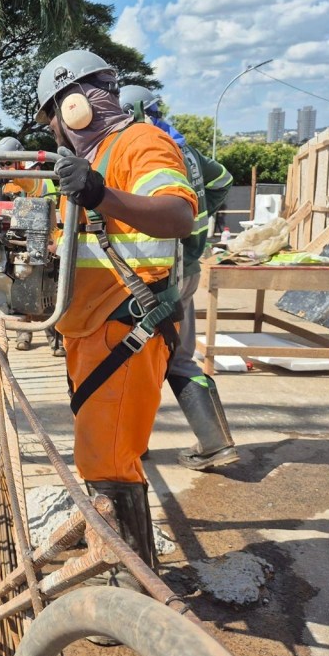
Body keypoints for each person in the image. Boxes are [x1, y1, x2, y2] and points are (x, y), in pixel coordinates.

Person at [34, 51, 197, 602]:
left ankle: (130, 586)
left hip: (127, 327)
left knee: (110, 459)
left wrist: (100, 191)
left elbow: (177, 216)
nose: (55, 130)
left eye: (52, 117)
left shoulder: (139, 144)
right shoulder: (96, 157)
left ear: (74, 104)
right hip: (92, 330)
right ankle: (120, 559)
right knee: (99, 450)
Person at [120, 86, 238, 471]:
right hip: (187, 268)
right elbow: (222, 180)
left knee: (138, 358)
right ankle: (214, 441)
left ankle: (131, 445)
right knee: (178, 355)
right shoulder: (183, 148)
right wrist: (202, 217)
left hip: (156, 273)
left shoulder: (143, 150)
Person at [0, 137, 66, 357]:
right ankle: (23, 334)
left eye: (7, 163)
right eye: (0, 164)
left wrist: (12, 172)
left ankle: (56, 340)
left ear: (19, 160)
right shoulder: (6, 182)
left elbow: (30, 186)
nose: (3, 168)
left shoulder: (38, 177)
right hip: (17, 241)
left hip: (44, 240)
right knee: (17, 289)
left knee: (48, 291)